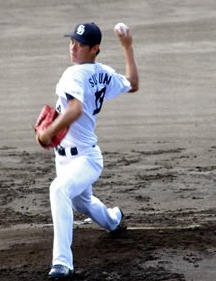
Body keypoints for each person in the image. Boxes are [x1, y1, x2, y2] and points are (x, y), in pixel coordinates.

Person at [35, 22, 139, 278]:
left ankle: (62, 264)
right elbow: (133, 83)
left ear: (94, 49)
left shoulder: (72, 75)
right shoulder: (103, 72)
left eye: (80, 44)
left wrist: (48, 133)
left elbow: (75, 109)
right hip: (70, 158)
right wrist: (128, 47)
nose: (73, 47)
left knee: (58, 189)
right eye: (72, 41)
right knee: (82, 203)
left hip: (86, 158)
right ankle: (114, 219)